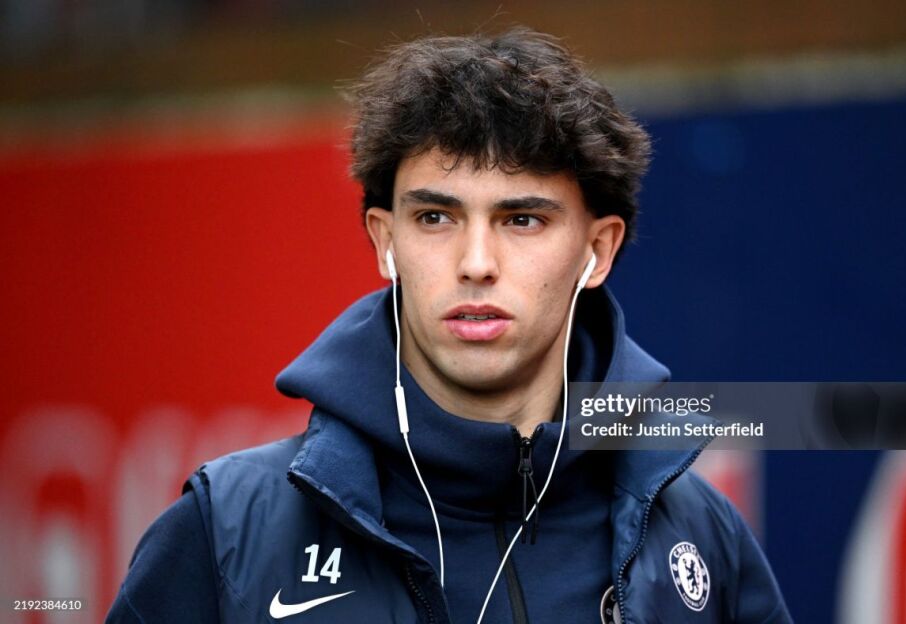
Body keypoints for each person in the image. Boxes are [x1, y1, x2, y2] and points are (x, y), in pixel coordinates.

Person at [107, 27, 791, 623]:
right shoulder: (228, 529)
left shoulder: (697, 533)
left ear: (598, 250)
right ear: (385, 241)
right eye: (435, 217)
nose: (475, 263)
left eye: (522, 219)